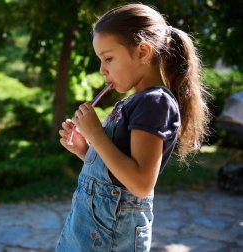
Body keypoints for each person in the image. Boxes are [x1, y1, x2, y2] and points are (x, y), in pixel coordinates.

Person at [56, 3, 209, 251]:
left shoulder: (155, 102)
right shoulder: (133, 102)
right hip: (86, 230)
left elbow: (140, 183)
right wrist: (87, 151)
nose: (102, 69)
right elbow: (117, 175)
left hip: (111, 237)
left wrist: (96, 134)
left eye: (108, 58)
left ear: (142, 52)